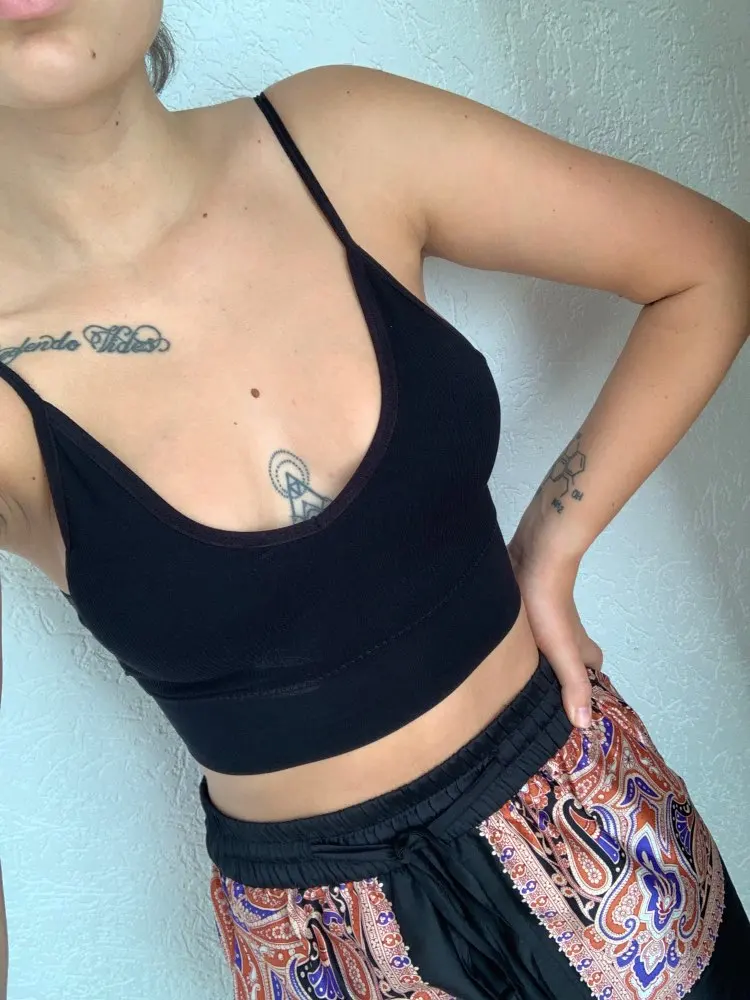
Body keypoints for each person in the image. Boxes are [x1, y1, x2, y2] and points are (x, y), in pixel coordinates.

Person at [0, 1, 748, 997]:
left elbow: (707, 267)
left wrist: (551, 553)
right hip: (328, 954)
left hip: (606, 848)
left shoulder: (350, 142)